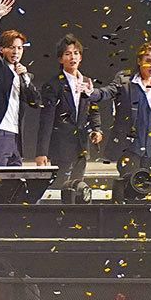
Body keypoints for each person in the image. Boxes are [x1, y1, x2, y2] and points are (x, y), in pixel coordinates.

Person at [35, 34, 103, 189]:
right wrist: (41, 152)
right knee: (60, 188)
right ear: (61, 59)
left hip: (81, 146)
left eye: (76, 53)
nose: (73, 57)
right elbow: (46, 121)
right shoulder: (53, 85)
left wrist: (97, 129)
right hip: (61, 148)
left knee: (78, 189)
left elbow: (93, 109)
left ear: (81, 57)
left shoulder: (87, 82)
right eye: (68, 54)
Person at [94, 41, 151, 173]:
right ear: (139, 61)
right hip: (128, 151)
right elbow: (107, 92)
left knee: (150, 185)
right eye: (148, 61)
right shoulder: (125, 82)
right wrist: (91, 92)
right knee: (128, 183)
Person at [0, 0, 41, 166]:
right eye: (11, 47)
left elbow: (36, 102)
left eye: (19, 48)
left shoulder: (23, 74)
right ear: (2, 49)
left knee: (15, 179)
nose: (16, 51)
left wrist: (26, 78)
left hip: (16, 136)